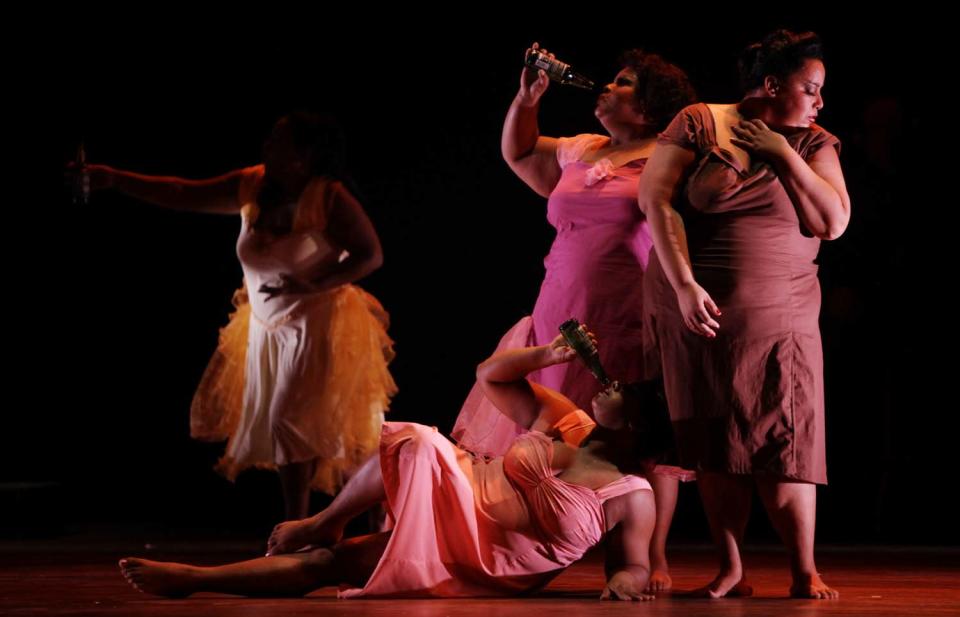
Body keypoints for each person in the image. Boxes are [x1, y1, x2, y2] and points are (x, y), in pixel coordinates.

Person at [119, 334, 670, 600]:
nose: (610, 384)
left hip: (496, 562)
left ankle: (313, 528)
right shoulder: (567, 421)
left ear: (638, 424)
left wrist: (625, 582)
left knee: (421, 450)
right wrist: (546, 357)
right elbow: (490, 376)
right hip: (459, 503)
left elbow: (635, 564)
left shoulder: (632, 492)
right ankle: (198, 578)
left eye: (624, 392)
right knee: (409, 454)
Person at [453, 43, 696, 593]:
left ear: (652, 106)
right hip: (561, 306)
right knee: (550, 424)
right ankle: (533, 534)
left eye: (625, 83)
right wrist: (527, 100)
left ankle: (649, 555)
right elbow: (519, 154)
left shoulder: (669, 156)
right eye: (611, 80)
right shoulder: (583, 148)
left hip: (628, 313)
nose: (608, 88)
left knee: (639, 439)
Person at [80, 112, 398, 520]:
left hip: (319, 324)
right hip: (267, 326)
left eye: (278, 141)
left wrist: (312, 284)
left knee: (309, 425)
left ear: (304, 155)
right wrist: (116, 178)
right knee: (297, 426)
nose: (267, 147)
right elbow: (181, 192)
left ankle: (324, 525)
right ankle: (312, 527)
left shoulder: (328, 197)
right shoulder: (251, 184)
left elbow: (371, 254)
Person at [637, 30, 850, 599]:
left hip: (783, 313)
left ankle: (804, 568)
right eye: (811, 89)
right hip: (698, 309)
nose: (819, 101)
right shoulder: (700, 121)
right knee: (715, 443)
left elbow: (833, 223)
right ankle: (730, 567)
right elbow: (655, 199)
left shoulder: (814, 143)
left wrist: (782, 153)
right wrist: (683, 285)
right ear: (773, 84)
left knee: (785, 440)